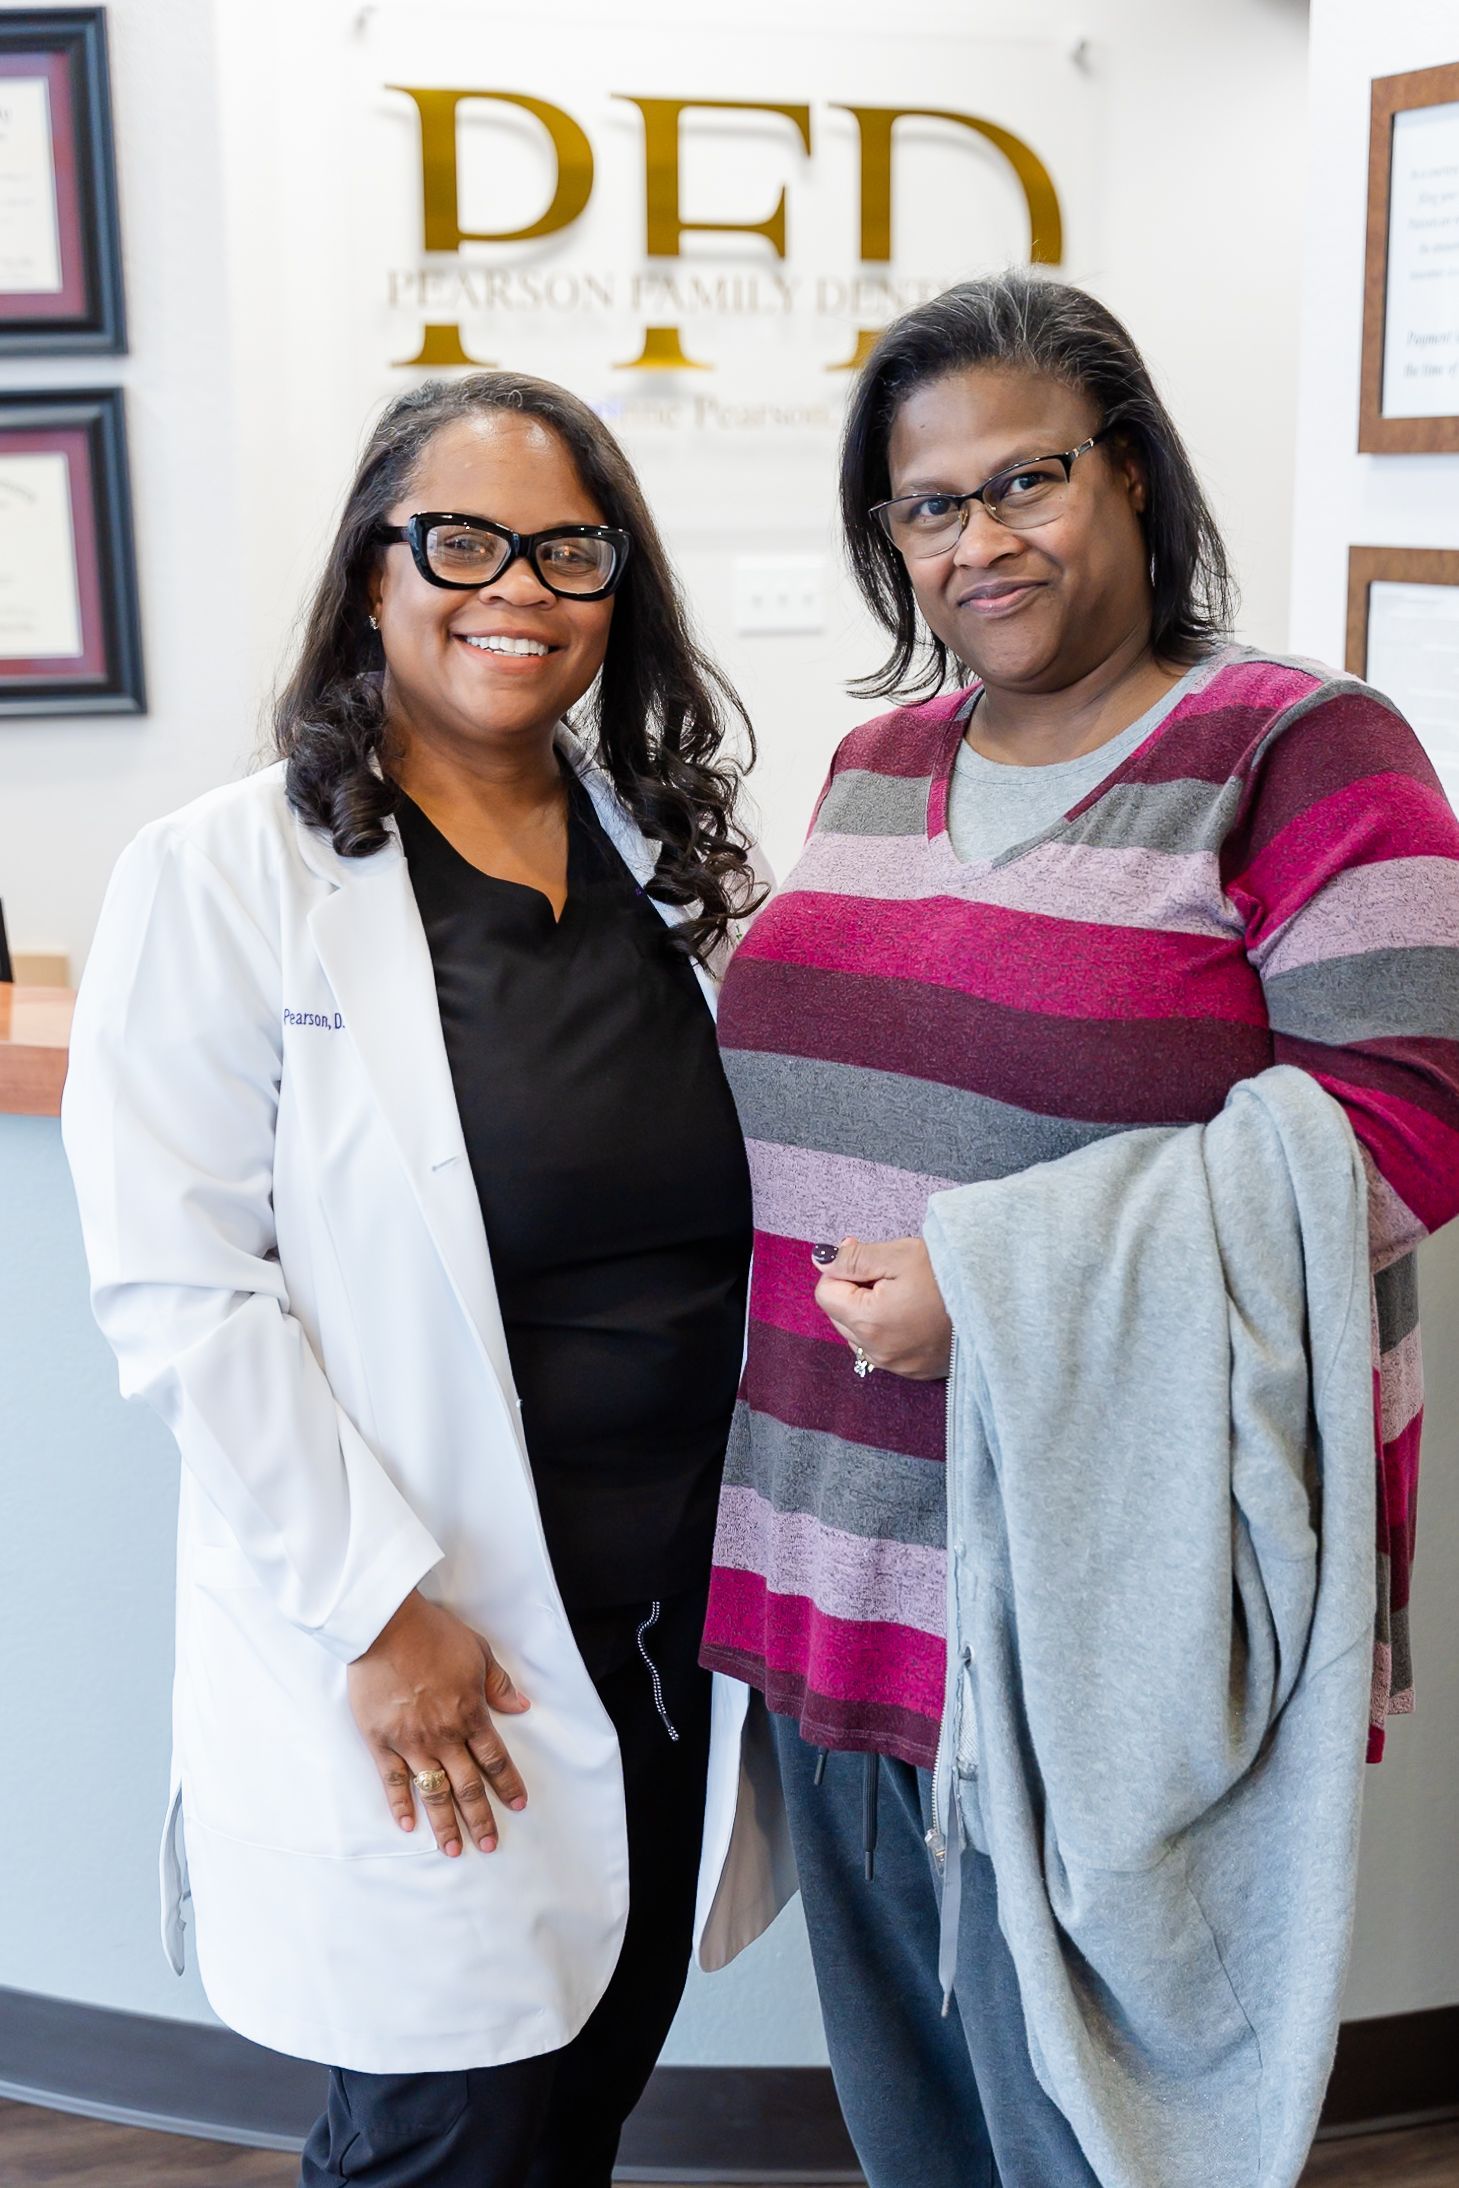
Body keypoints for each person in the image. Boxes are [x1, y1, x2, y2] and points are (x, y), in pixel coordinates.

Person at [701, 272, 1459, 2185]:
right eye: (928, 505)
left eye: (1024, 479)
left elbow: (1415, 1117)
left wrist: (1003, 1284)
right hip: (834, 1564)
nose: (981, 540)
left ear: (1128, 471)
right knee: (920, 2142)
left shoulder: (1299, 748)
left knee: (1104, 2146)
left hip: (1095, 1595)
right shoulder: (881, 764)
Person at [62, 371, 791, 2188]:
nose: (518, 590)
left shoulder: (663, 863)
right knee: (445, 2133)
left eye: (570, 549)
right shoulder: (228, 878)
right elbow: (181, 1291)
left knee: (584, 2101)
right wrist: (382, 1616)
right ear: (373, 571)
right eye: (461, 541)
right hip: (435, 1638)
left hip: (670, 1636)